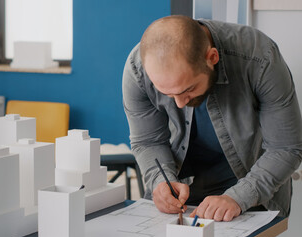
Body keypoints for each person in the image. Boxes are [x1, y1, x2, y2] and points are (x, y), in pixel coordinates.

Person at [122, 15, 302, 222]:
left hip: (250, 187)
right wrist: (159, 181)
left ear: (212, 58)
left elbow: (286, 148)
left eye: (187, 89)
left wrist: (237, 197)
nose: (179, 103)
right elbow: (148, 141)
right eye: (168, 94)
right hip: (183, 188)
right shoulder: (137, 69)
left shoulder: (259, 57)